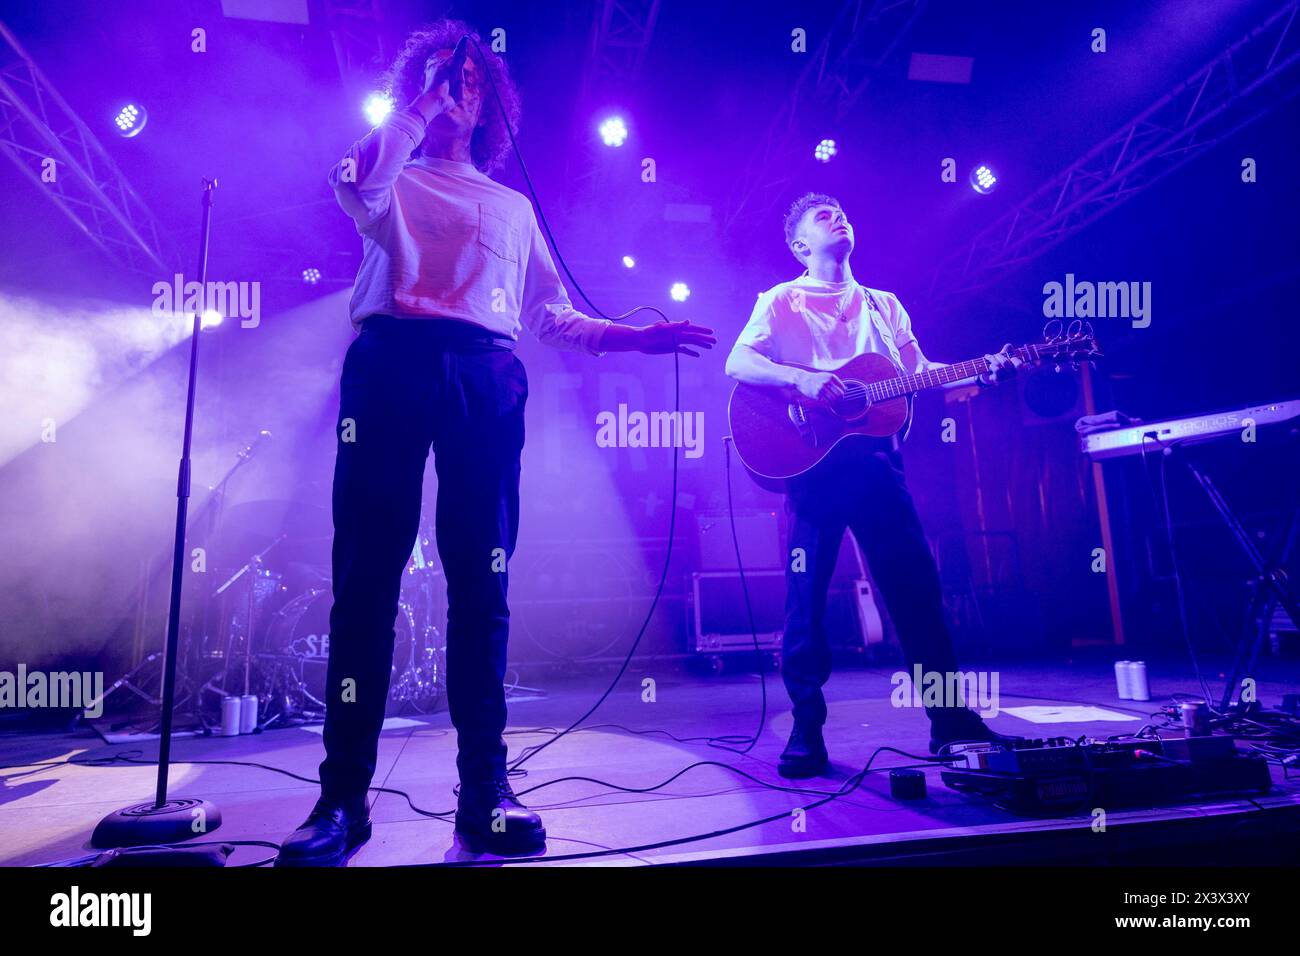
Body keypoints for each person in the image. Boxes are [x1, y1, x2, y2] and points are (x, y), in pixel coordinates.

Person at [276, 20, 714, 865]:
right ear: (418, 85)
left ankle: (484, 793)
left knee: (484, 588)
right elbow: (357, 186)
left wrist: (634, 340)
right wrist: (418, 106)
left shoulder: (511, 207)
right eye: (445, 74)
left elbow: (549, 312)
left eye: (473, 80)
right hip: (391, 363)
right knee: (365, 585)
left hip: (484, 375)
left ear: (493, 106)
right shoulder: (392, 169)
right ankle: (341, 800)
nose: (459, 87)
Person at [724, 192, 1020, 778]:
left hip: (879, 467)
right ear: (799, 244)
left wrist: (980, 369)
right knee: (805, 604)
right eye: (820, 215)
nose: (838, 215)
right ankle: (807, 730)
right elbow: (738, 363)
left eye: (841, 210)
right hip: (812, 466)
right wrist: (806, 382)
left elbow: (920, 373)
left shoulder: (884, 305)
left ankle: (952, 722)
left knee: (917, 593)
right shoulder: (781, 300)